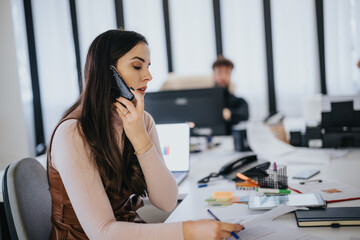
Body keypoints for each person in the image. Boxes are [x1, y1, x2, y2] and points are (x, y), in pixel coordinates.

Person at [47, 29, 244, 240]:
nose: (149, 76)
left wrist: (141, 139)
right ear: (108, 72)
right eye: (137, 66)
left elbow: (167, 201)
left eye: (148, 66)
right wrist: (188, 231)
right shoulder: (73, 133)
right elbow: (103, 232)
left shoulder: (142, 121)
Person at [212, 56, 249, 127]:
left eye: (227, 72)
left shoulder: (239, 102)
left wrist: (230, 113)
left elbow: (244, 115)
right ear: (213, 75)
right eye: (219, 72)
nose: (223, 77)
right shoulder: (204, 102)